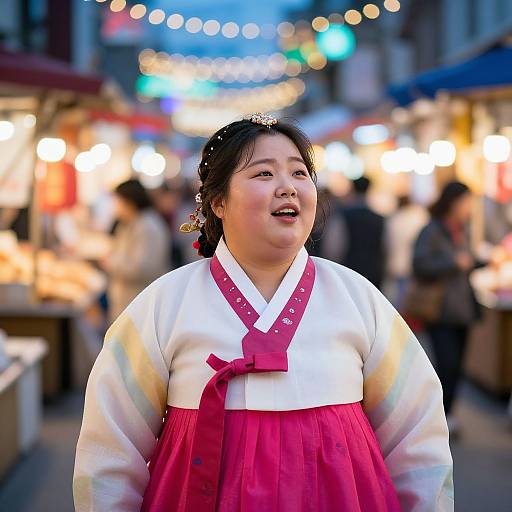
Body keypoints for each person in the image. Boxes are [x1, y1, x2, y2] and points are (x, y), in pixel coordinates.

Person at [74, 115, 453, 511]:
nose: (287, 187)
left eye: (299, 173)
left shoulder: (359, 299)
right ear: (218, 202)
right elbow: (110, 452)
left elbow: (416, 440)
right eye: (264, 174)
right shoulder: (164, 304)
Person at [412, 181, 479, 435]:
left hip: (463, 309)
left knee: (457, 367)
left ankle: (447, 413)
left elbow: (468, 262)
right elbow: (420, 264)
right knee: (446, 365)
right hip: (439, 310)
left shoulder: (463, 230)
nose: (469, 207)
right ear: (453, 202)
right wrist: (453, 262)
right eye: (466, 201)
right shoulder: (432, 230)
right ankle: (438, 417)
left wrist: (479, 262)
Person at [100, 179, 170, 321]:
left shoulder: (147, 226)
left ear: (129, 202)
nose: (115, 207)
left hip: (139, 302)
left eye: (117, 202)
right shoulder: (128, 223)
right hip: (127, 301)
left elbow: (143, 268)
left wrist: (110, 262)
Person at [322, 176, 386, 289]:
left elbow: (334, 248)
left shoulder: (343, 215)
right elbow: (385, 246)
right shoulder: (379, 218)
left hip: (348, 269)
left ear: (353, 190)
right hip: (373, 271)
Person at [385, 195, 429, 309]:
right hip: (410, 263)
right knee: (406, 297)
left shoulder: (394, 219)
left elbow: (387, 243)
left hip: (396, 262)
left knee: (397, 294)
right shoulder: (417, 218)